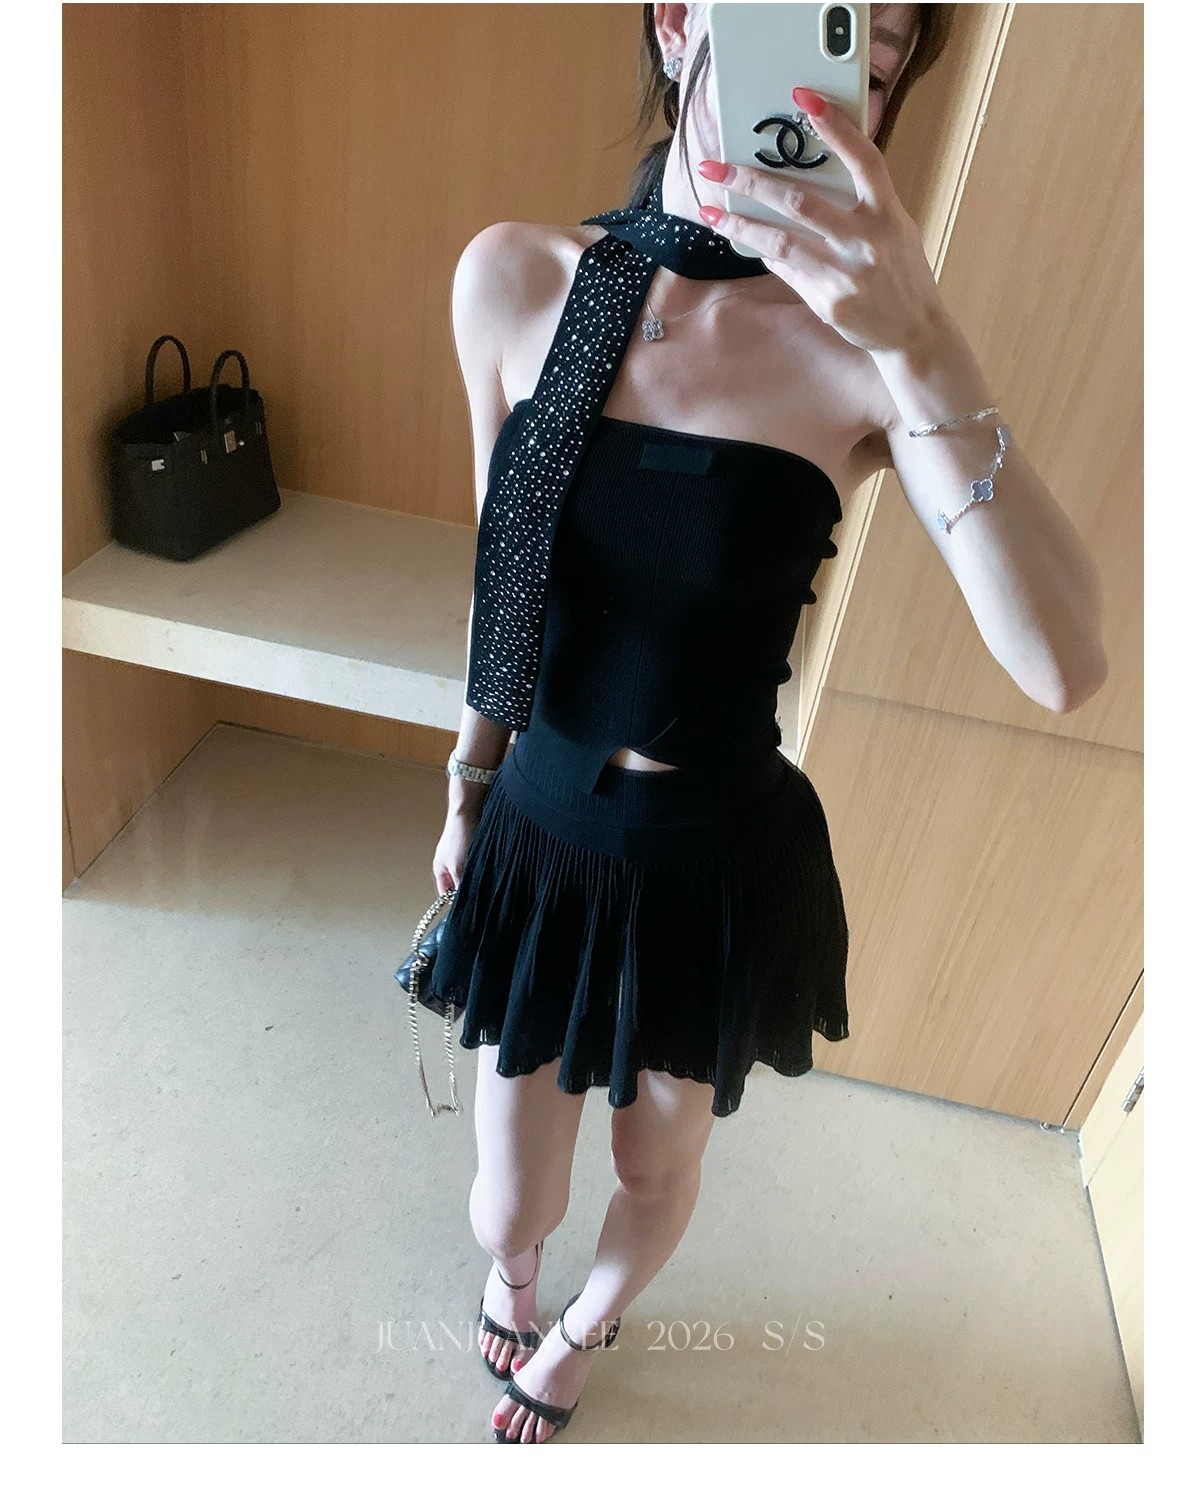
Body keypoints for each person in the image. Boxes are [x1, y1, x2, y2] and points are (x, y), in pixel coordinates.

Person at [426, 2, 1108, 1444]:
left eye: (877, 46)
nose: (837, 67)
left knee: (657, 1165)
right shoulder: (518, 280)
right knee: (508, 1193)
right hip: (542, 822)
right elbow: (504, 581)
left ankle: (586, 1327)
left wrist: (925, 341)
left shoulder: (867, 359)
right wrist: (468, 783)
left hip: (713, 857)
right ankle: (518, 1272)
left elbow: (1062, 665)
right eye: (799, 10)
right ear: (682, 20)